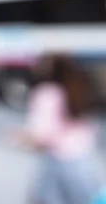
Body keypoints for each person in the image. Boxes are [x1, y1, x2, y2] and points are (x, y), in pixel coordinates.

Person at [15, 54, 104, 204]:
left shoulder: (46, 93)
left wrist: (21, 138)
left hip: (57, 163)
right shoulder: (80, 89)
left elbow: (42, 135)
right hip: (83, 161)